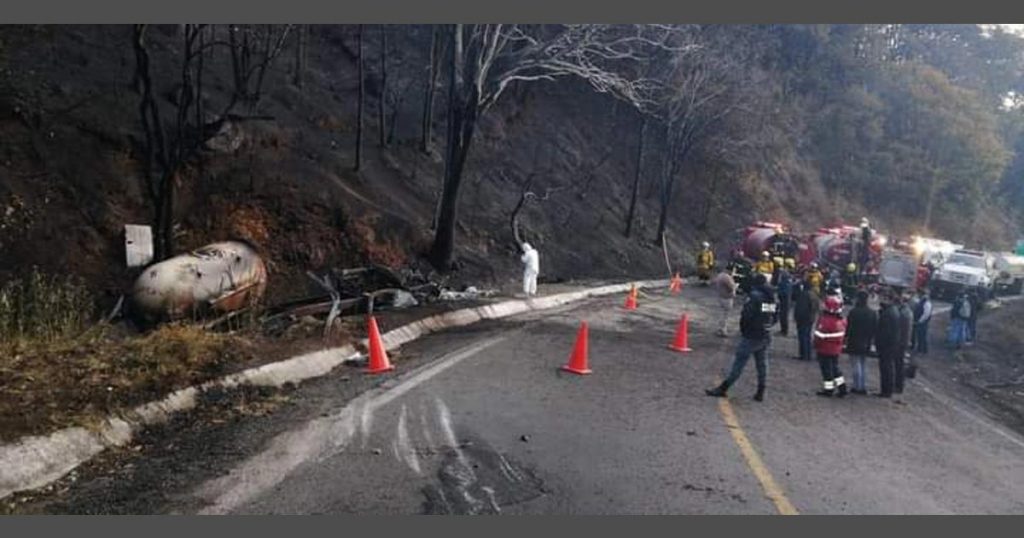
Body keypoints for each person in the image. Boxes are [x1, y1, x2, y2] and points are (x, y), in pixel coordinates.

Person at [705, 273, 777, 402]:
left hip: (751, 335)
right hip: (765, 334)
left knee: (739, 363)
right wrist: (767, 327)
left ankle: (723, 388)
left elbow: (746, 316)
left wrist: (744, 330)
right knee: (762, 365)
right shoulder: (771, 297)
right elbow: (774, 316)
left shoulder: (754, 297)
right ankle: (761, 391)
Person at [814, 295, 848, 397]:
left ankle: (828, 390)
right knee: (835, 369)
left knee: (827, 371)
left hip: (824, 349)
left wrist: (815, 345)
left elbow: (819, 336)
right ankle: (842, 387)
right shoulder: (842, 320)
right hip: (836, 350)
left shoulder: (825, 321)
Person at [845, 290, 877, 395]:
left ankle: (856, 386)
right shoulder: (872, 313)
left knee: (856, 364)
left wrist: (845, 339)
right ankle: (862, 386)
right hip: (866, 341)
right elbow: (874, 328)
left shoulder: (854, 312)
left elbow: (848, 327)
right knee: (863, 364)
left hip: (854, 340)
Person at [875, 289, 902, 398]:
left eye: (883, 297)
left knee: (885, 368)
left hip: (886, 345)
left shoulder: (888, 313)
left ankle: (885, 391)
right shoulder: (893, 311)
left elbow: (884, 332)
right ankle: (887, 390)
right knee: (888, 367)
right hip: (892, 344)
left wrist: (878, 344)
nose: (881, 299)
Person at [792, 280, 820, 361]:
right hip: (811, 318)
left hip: (803, 318)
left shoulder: (804, 295)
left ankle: (803, 354)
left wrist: (796, 317)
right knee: (807, 336)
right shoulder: (814, 295)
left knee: (802, 336)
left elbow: (801, 308)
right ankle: (808, 354)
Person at [712, 266, 738, 336]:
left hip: (721, 296)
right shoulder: (727, 277)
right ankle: (722, 330)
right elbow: (731, 287)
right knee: (725, 316)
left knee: (722, 314)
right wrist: (735, 287)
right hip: (727, 298)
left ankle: (720, 329)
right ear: (730, 270)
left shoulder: (720, 275)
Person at [897, 291, 914, 394]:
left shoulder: (903, 313)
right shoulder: (908, 312)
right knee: (900, 364)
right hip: (905, 341)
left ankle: (899, 386)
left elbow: (900, 329)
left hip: (901, 342)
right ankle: (899, 385)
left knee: (899, 365)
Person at [775, 260, 794, 336]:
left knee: (783, 314)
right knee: (783, 314)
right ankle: (783, 330)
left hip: (784, 297)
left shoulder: (785, 275)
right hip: (786, 296)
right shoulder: (788, 275)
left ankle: (784, 331)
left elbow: (783, 287)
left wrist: (779, 293)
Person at [912, 289, 932, 356]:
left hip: (923, 322)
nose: (920, 295)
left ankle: (922, 350)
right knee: (919, 336)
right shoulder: (921, 301)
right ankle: (919, 349)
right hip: (920, 321)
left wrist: (920, 321)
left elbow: (926, 314)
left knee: (922, 336)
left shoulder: (927, 303)